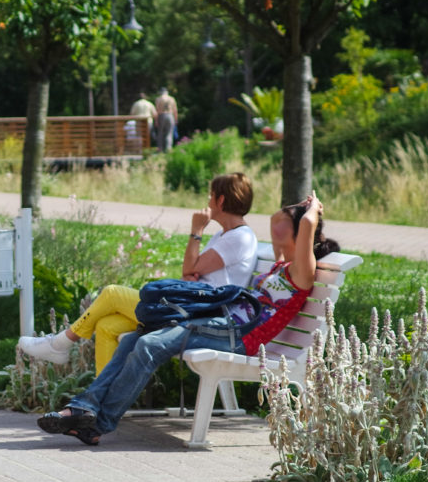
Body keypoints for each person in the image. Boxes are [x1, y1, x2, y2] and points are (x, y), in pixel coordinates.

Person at [37, 192, 338, 445]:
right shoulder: (280, 265)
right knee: (133, 338)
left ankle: (97, 423)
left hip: (238, 336)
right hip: (220, 323)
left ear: (299, 232)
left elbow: (308, 223)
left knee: (148, 345)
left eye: (287, 218)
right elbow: (281, 223)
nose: (277, 220)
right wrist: (298, 210)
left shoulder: (301, 273)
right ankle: (84, 408)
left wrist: (313, 208)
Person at [18, 173, 257, 374]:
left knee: (111, 293)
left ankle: (61, 343)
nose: (208, 201)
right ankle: (99, 402)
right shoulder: (224, 235)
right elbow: (190, 272)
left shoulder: (239, 237)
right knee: (107, 326)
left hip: (197, 313)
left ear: (222, 200)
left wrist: (196, 230)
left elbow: (190, 269)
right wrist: (193, 270)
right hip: (190, 304)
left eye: (211, 196)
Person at [154, 87, 177, 152]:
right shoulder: (172, 99)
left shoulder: (158, 99)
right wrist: (176, 119)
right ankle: (168, 149)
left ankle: (160, 149)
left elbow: (157, 110)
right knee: (169, 133)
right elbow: (175, 110)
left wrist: (156, 121)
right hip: (170, 115)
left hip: (161, 115)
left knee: (160, 133)